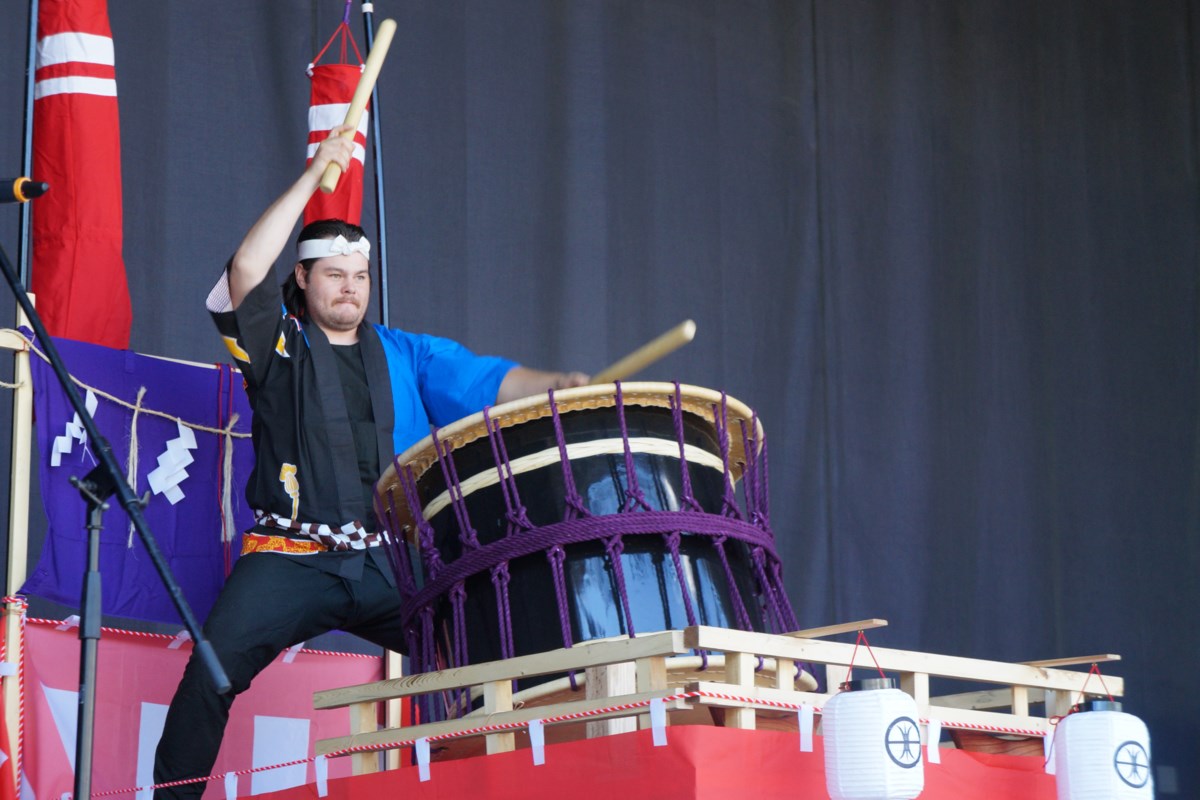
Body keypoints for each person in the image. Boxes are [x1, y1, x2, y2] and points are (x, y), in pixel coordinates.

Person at [153, 126, 588, 798]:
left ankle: (497, 784)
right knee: (212, 670)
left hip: (388, 561)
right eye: (335, 276)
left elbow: (490, 381)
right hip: (290, 556)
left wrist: (561, 383)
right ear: (303, 278)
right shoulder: (277, 349)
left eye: (360, 277)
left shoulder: (404, 353)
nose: (351, 289)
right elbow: (245, 272)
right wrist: (310, 178)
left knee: (485, 649)